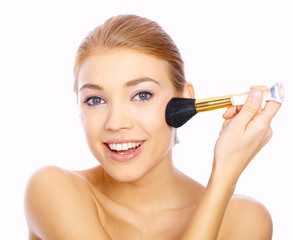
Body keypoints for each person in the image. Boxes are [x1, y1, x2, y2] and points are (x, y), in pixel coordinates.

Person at [24, 15, 281, 240]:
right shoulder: (52, 189)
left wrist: (225, 175)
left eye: (142, 95)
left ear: (185, 99)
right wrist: (222, 180)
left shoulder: (244, 219)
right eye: (95, 100)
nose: (115, 123)